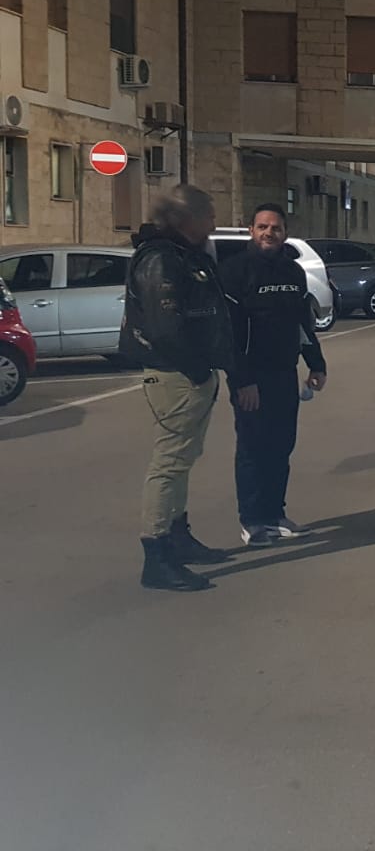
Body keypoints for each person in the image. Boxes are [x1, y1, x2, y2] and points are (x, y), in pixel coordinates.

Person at [120, 184, 233, 592]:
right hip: (175, 374)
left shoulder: (182, 255)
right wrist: (198, 370)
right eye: (209, 216)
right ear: (188, 219)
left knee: (183, 458)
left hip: (187, 373)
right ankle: (156, 553)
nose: (214, 225)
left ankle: (178, 536)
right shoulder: (161, 260)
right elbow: (166, 327)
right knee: (169, 462)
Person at [220, 203, 329, 546]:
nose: (269, 233)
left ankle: (274, 514)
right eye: (263, 227)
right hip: (251, 377)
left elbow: (302, 324)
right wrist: (242, 380)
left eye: (276, 228)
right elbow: (230, 334)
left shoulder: (293, 272)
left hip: (284, 372)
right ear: (251, 230)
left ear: (285, 233)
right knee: (253, 448)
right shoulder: (234, 271)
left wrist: (316, 363)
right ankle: (252, 521)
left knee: (281, 446)